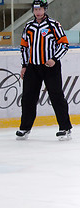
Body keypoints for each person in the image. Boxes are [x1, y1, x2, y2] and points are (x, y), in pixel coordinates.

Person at [16, 0, 72, 141]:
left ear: (45, 9)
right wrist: (24, 65)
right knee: (28, 97)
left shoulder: (54, 25)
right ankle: (25, 127)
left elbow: (64, 44)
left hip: (50, 67)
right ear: (33, 11)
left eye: (40, 9)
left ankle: (65, 128)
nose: (38, 12)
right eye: (36, 10)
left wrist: (54, 59)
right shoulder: (28, 26)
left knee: (56, 96)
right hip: (32, 67)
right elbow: (24, 47)